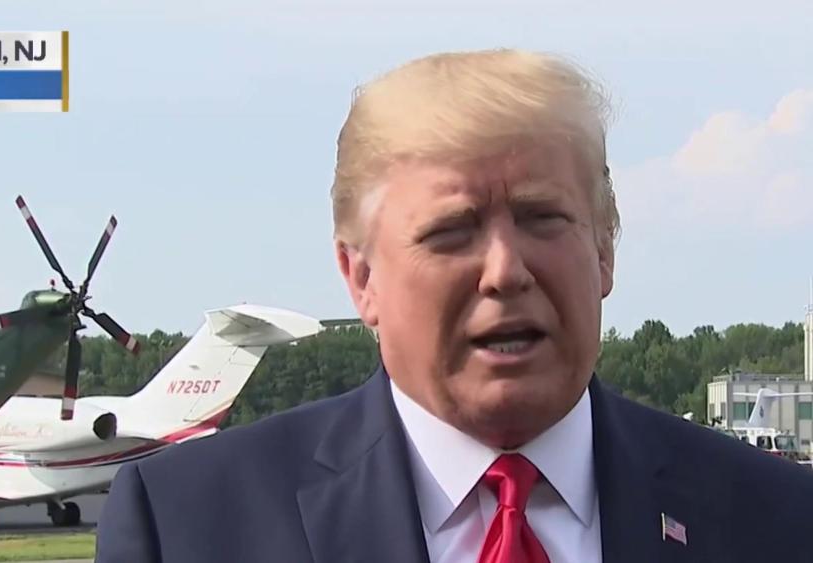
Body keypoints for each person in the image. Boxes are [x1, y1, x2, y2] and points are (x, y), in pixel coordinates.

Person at [95, 49, 813, 563]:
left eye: (542, 218)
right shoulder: (189, 525)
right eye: (451, 233)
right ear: (361, 278)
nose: (505, 271)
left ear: (605, 250)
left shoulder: (777, 516)